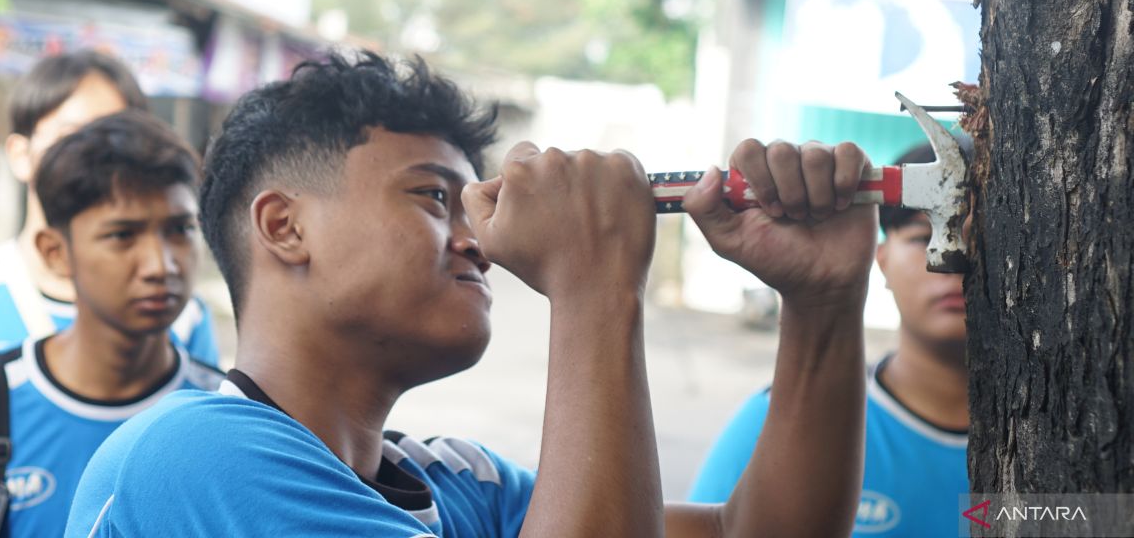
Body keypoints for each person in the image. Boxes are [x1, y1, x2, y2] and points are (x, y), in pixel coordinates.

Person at [67, 51, 879, 538]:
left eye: (470, 204)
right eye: (430, 197)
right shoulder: (197, 453)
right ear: (284, 227)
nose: (474, 239)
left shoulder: (460, 485)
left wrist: (823, 305)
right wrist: (594, 288)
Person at [0, 110, 225, 538]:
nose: (160, 265)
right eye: (123, 235)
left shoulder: (222, 413)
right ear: (55, 253)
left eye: (180, 229)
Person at [688, 139, 971, 537]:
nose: (955, 257)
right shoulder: (777, 421)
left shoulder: (1071, 431)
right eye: (925, 236)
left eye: (986, 238)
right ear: (882, 259)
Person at [0, 50, 219, 376]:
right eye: (71, 137)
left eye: (116, 140)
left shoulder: (181, 315)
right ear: (20, 154)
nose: (97, 161)